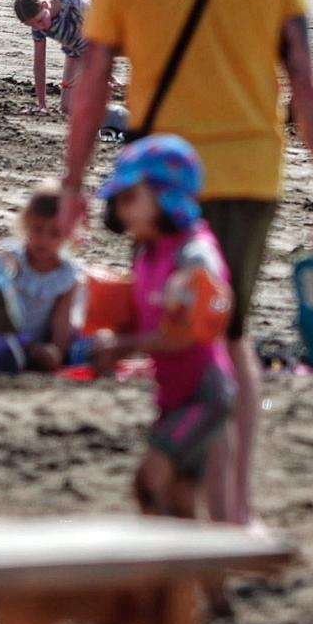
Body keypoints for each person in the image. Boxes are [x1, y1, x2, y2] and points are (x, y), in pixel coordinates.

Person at [61, 0, 313, 528]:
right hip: (252, 173)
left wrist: (72, 182)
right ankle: (235, 510)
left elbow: (93, 82)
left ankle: (191, 512)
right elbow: (307, 89)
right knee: (228, 335)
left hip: (163, 188)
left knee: (183, 336)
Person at [87, 137, 237, 523]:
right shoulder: (149, 251)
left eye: (129, 199)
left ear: (165, 196)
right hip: (172, 395)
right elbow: (146, 319)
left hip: (204, 396)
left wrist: (125, 346)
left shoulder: (193, 254)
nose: (119, 211)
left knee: (149, 483)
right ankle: (200, 584)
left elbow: (187, 332)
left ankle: (169, 578)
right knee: (180, 500)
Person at [0, 185, 83, 374]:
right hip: (2, 334)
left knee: (58, 353)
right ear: (26, 224)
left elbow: (61, 322)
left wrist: (57, 353)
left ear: (67, 235)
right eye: (38, 229)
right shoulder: (12, 259)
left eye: (54, 234)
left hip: (34, 345)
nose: (44, 239)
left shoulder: (65, 276)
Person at [14, 0, 88, 114]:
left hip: (97, 48)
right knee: (66, 107)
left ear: (45, 5)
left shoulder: (73, 3)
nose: (40, 27)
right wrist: (42, 104)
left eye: (40, 20)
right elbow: (39, 64)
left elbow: (103, 34)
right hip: (73, 51)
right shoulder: (37, 26)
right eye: (32, 25)